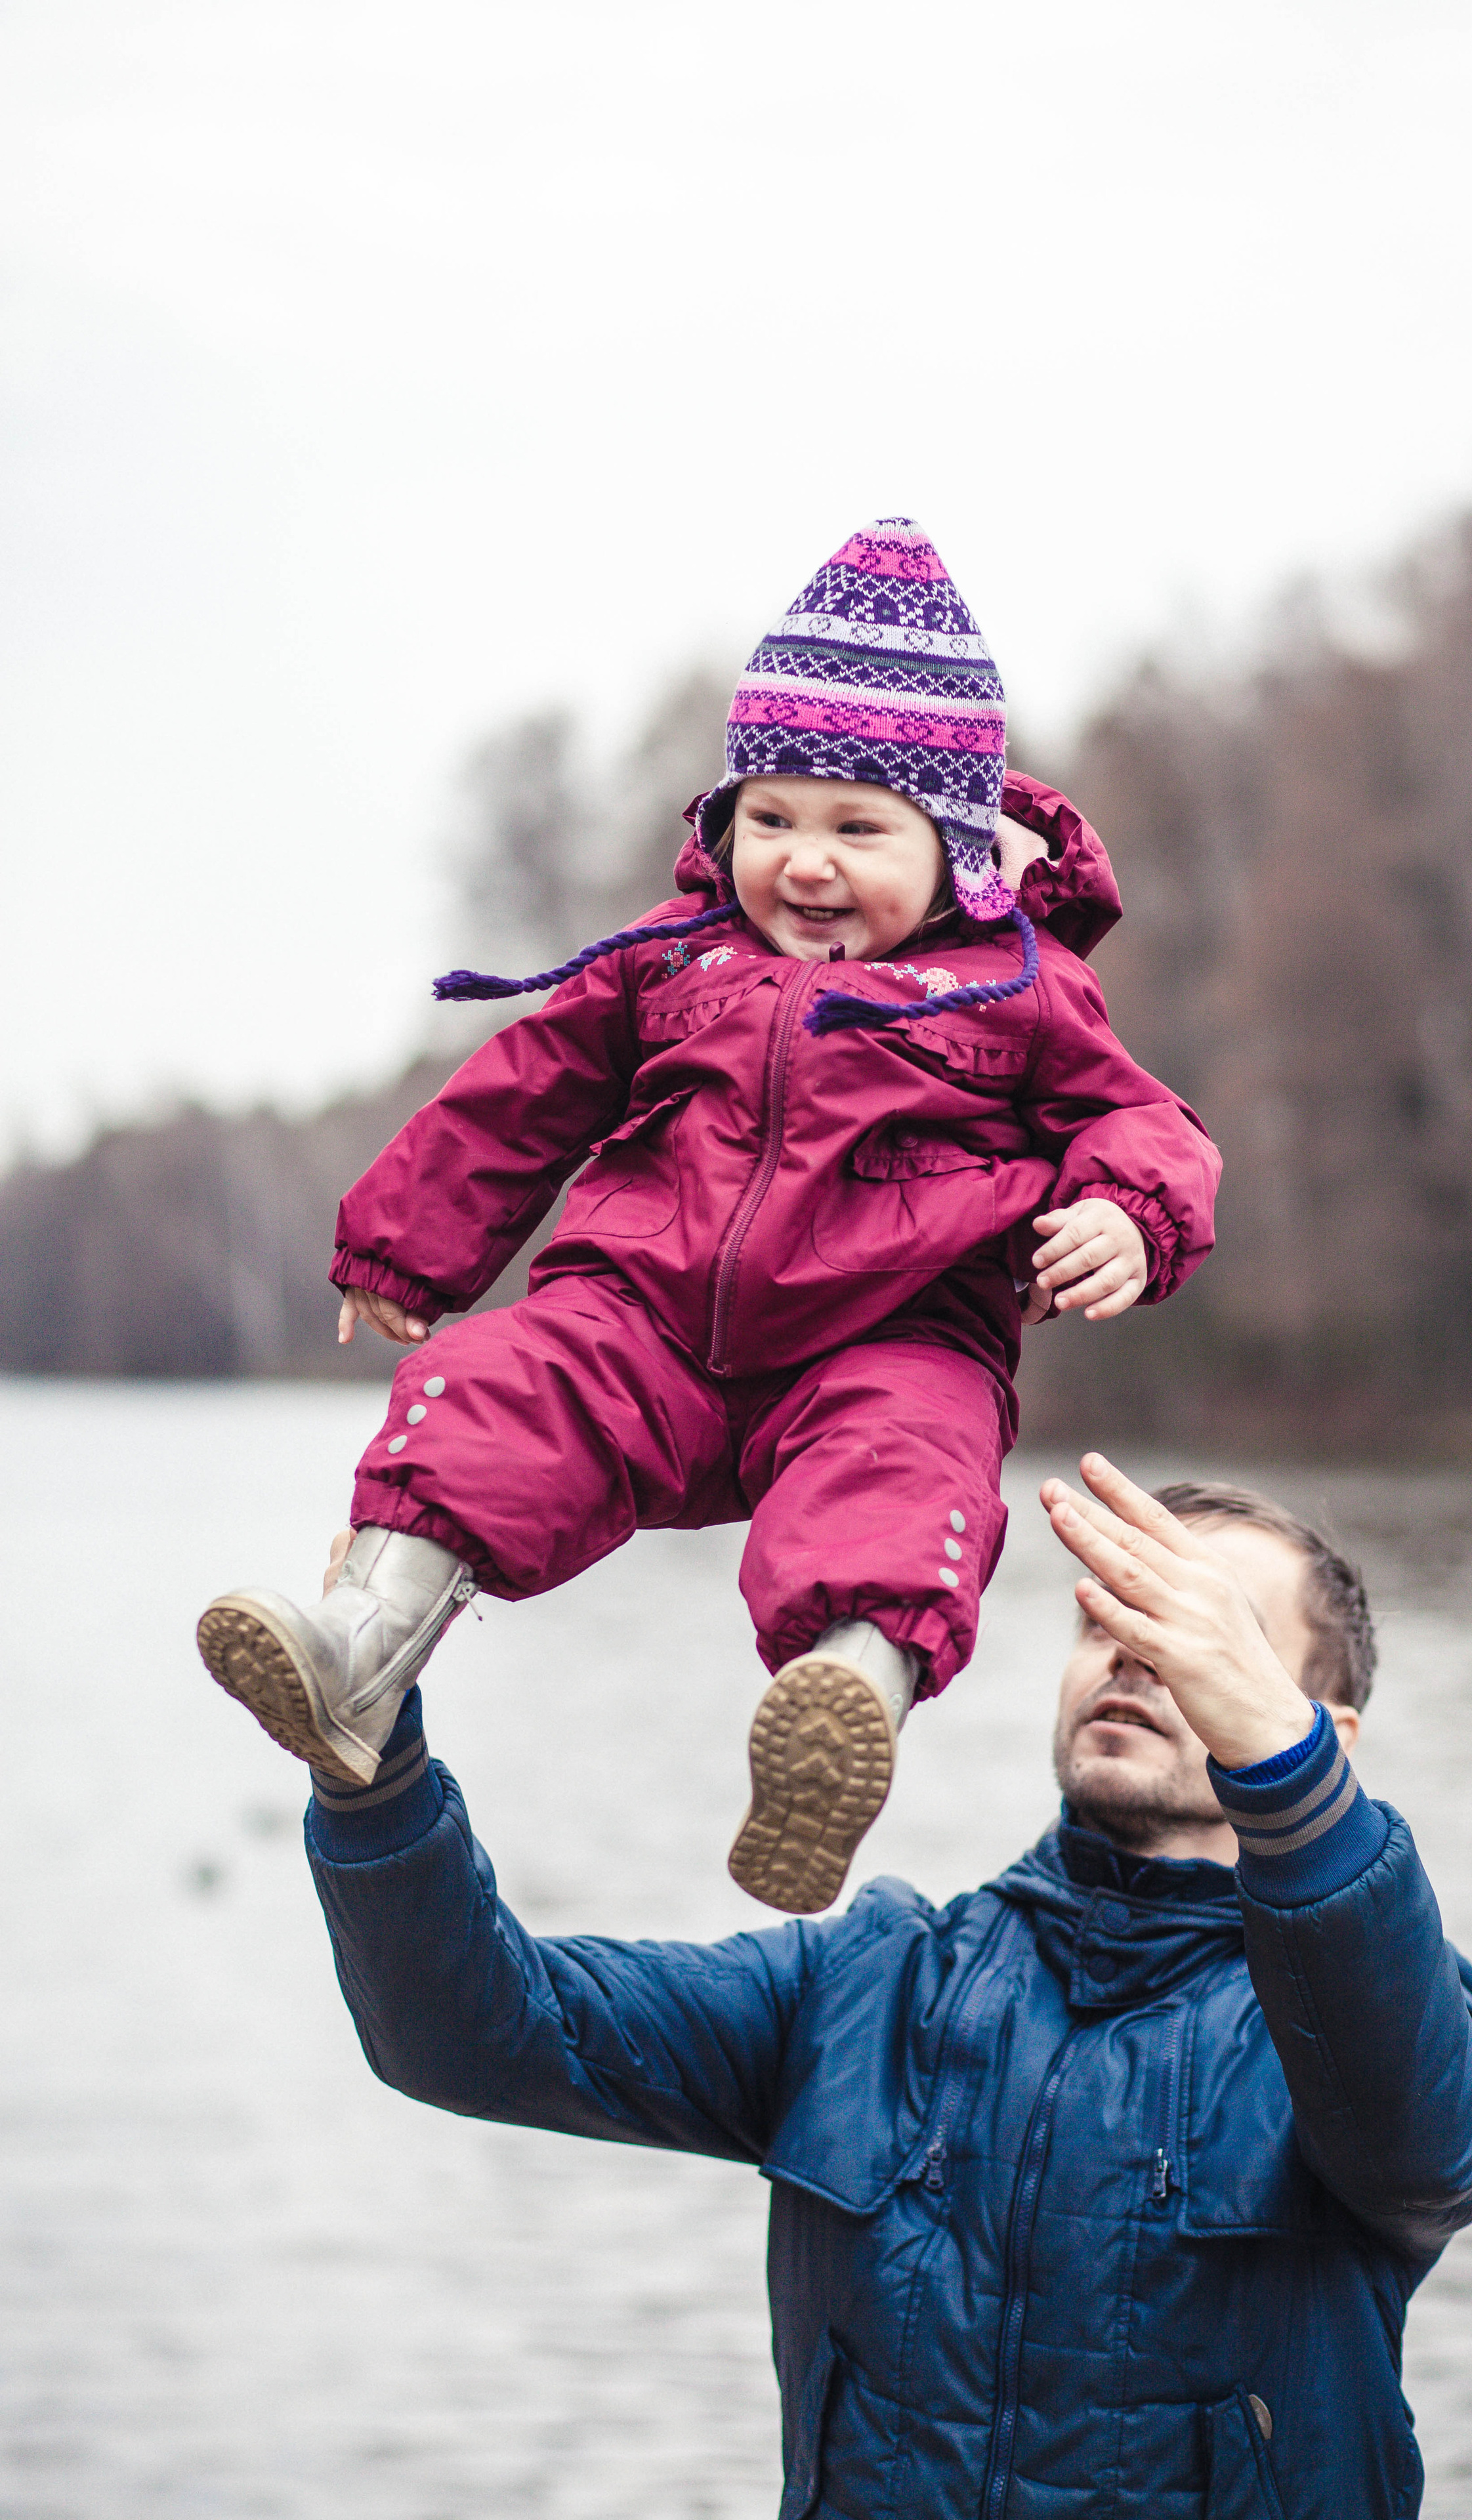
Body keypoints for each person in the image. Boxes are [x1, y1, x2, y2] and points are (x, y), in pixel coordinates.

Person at [197, 518, 1220, 1913]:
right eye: (773, 819)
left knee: (901, 1470)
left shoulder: (1017, 990)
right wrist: (405, 1244)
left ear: (957, 853)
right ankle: (359, 1647)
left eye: (859, 830)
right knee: (494, 1384)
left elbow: (1140, 1121)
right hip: (648, 1322)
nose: (805, 862)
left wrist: (1126, 1211)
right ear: (724, 820)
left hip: (888, 1334)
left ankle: (837, 1709)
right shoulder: (667, 964)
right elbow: (526, 1086)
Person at [302, 1458, 1472, 2518]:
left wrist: (1283, 1778)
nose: (1139, 1652)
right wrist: (371, 1775)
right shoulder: (872, 1983)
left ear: (1328, 1736)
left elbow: (1429, 2151)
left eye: (1213, 1635)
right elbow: (467, 2034)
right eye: (1115, 1614)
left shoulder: (1379, 2015)